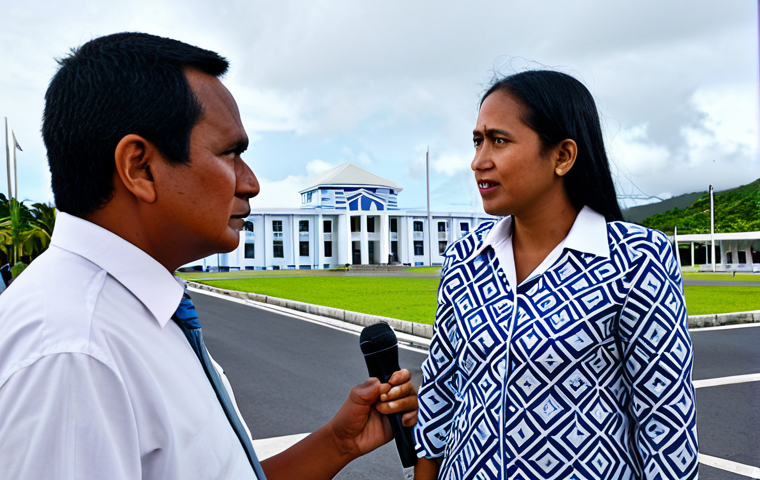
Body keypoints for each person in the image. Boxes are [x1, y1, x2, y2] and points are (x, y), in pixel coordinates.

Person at [0, 32, 417, 480]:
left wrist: (338, 442)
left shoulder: (138, 314)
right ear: (139, 168)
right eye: (231, 154)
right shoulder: (74, 356)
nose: (251, 183)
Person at [413, 71, 698, 480]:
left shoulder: (637, 259)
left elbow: (666, 426)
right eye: (477, 141)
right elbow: (440, 398)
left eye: (499, 140)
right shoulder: (463, 259)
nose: (479, 161)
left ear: (563, 156)